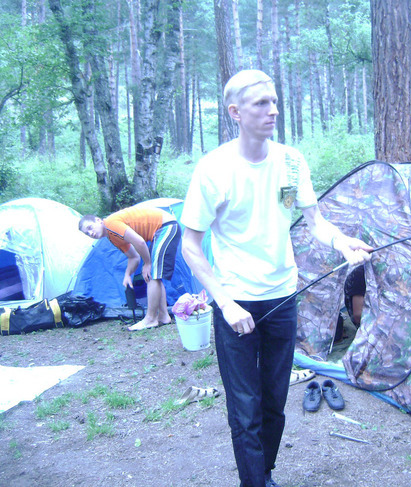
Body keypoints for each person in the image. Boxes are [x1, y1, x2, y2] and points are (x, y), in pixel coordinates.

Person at [180, 69, 372, 487]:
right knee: (244, 405)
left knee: (274, 400)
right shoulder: (214, 170)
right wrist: (225, 303)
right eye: (261, 103)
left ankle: (263, 473)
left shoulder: (291, 161)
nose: (273, 110)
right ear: (235, 112)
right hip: (236, 302)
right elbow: (190, 245)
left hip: (283, 295)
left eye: (275, 101)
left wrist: (341, 242)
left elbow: (314, 221)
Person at [78, 207, 181, 331]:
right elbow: (133, 256)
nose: (91, 233)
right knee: (152, 275)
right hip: (160, 230)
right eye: (87, 233)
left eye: (90, 228)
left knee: (152, 274)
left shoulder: (111, 224)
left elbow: (140, 242)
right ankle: (163, 316)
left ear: (98, 220)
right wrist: (127, 275)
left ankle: (150, 319)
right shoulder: (112, 237)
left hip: (166, 226)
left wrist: (147, 263)